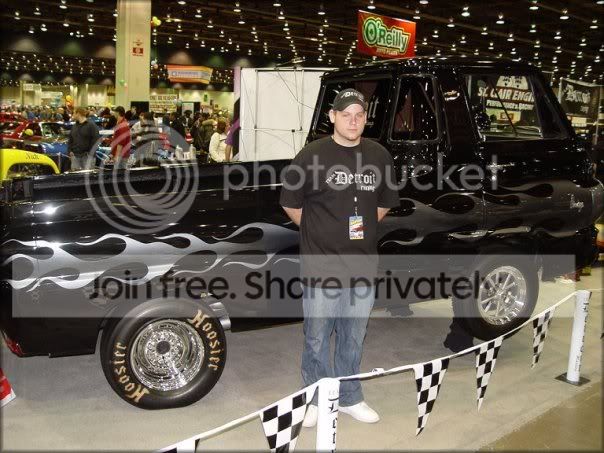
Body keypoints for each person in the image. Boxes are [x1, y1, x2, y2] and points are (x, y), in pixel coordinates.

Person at [279, 88, 399, 427]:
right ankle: (315, 398)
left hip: (362, 265)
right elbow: (290, 203)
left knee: (354, 336)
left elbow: (385, 202)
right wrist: (321, 230)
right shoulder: (311, 155)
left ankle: (349, 397)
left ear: (365, 118)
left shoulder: (378, 155)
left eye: (359, 115)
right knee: (317, 336)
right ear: (332, 116)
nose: (353, 121)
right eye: (346, 114)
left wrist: (357, 230)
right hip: (321, 265)